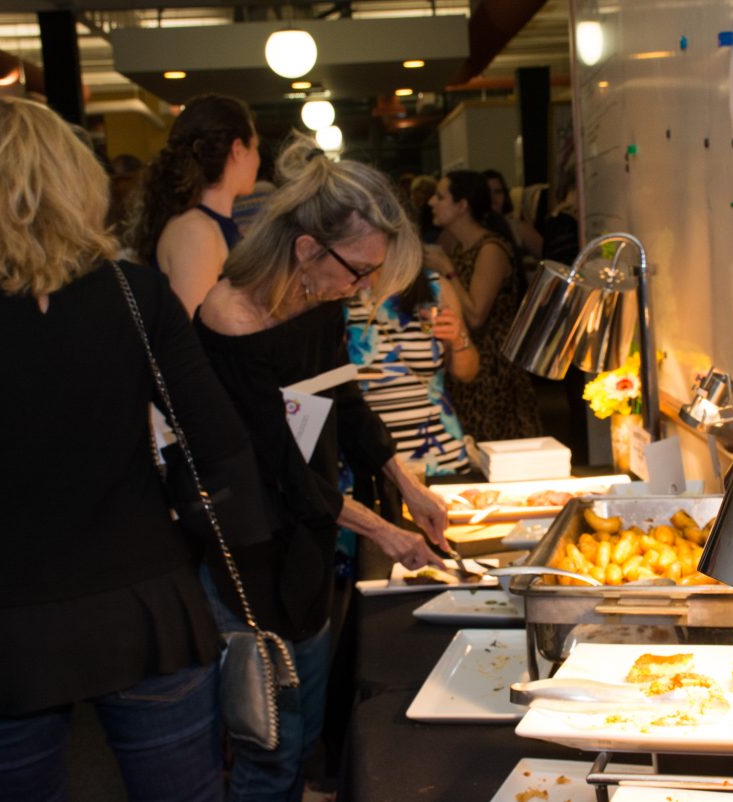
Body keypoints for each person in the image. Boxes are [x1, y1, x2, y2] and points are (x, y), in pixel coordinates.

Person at [0, 97, 272, 802]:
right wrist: (215, 552)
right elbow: (221, 443)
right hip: (144, 603)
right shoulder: (134, 294)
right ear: (77, 181)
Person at [194, 134, 451, 802]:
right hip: (250, 552)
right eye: (359, 271)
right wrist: (386, 532)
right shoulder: (230, 320)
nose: (363, 288)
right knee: (269, 744)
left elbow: (343, 402)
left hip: (306, 537)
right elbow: (280, 472)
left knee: (303, 736)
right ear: (307, 248)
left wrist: (406, 483)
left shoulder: (317, 300)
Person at [344, 266, 479, 513]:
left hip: (438, 457)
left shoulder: (434, 287)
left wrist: (458, 338)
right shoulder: (339, 288)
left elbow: (467, 373)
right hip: (369, 461)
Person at [425, 169, 543, 443]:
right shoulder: (459, 246)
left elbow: (476, 316)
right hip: (467, 358)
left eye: (440, 197)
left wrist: (447, 270)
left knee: (497, 444)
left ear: (462, 206)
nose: (431, 202)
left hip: (492, 367)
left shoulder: (490, 249)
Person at [128, 93, 260, 315]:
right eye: (255, 147)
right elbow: (193, 327)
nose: (258, 159)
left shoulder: (205, 226)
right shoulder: (195, 231)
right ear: (238, 149)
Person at [482, 168, 542, 260]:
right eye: (487, 192)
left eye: (498, 192)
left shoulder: (517, 228)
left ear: (505, 195)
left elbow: (549, 258)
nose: (492, 198)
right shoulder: (472, 229)